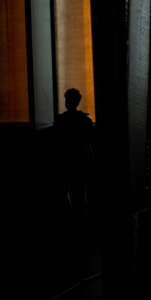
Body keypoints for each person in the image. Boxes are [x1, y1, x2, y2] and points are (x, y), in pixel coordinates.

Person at [54, 88, 94, 221]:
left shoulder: (61, 120)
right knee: (81, 192)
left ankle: (67, 219)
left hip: (65, 160)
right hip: (81, 161)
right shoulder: (86, 120)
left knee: (64, 190)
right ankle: (79, 221)